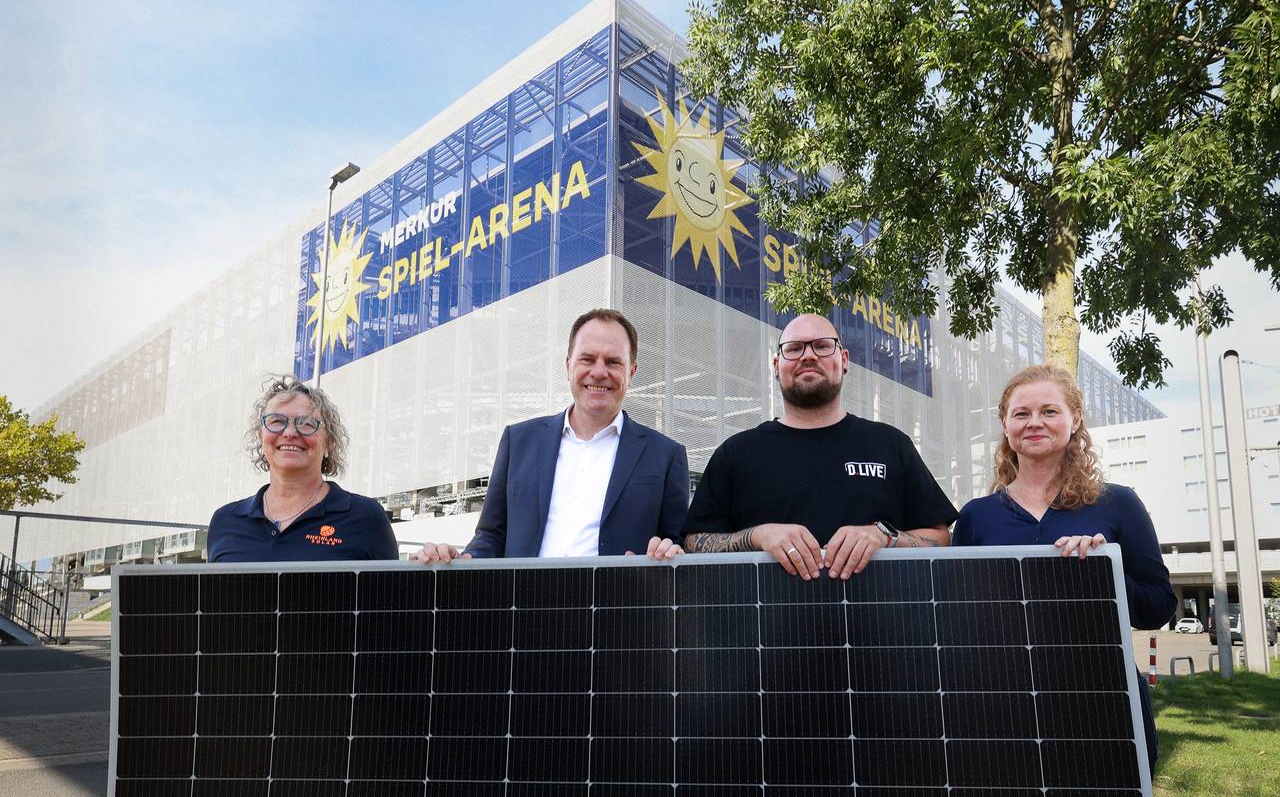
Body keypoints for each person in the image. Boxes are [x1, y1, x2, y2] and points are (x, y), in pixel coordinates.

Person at [952, 364, 1175, 776]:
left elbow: (1158, 607)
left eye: (1049, 411)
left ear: (1075, 421)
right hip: (1003, 709)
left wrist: (1104, 570)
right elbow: (955, 621)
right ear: (1005, 425)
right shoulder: (975, 518)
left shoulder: (1118, 504)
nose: (1034, 422)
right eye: (1021, 414)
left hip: (1103, 705)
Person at [682, 313, 957, 579]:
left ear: (844, 360)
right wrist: (759, 535)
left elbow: (940, 538)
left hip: (879, 622)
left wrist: (883, 536)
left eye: (823, 346)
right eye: (794, 348)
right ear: (776, 365)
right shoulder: (736, 453)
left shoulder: (892, 445)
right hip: (763, 623)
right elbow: (694, 542)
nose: (808, 355)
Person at [412, 309, 688, 563]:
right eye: (587, 359)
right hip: (524, 610)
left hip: (616, 609)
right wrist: (461, 560)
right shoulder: (518, 441)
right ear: (568, 365)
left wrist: (664, 555)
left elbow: (674, 545)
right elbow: (492, 536)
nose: (599, 372)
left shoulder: (665, 456)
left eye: (613, 362)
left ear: (632, 371)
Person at [208, 375, 398, 562]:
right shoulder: (225, 522)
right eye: (276, 421)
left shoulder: (365, 518)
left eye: (306, 424)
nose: (289, 433)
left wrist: (425, 568)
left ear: (329, 442)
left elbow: (395, 591)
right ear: (261, 436)